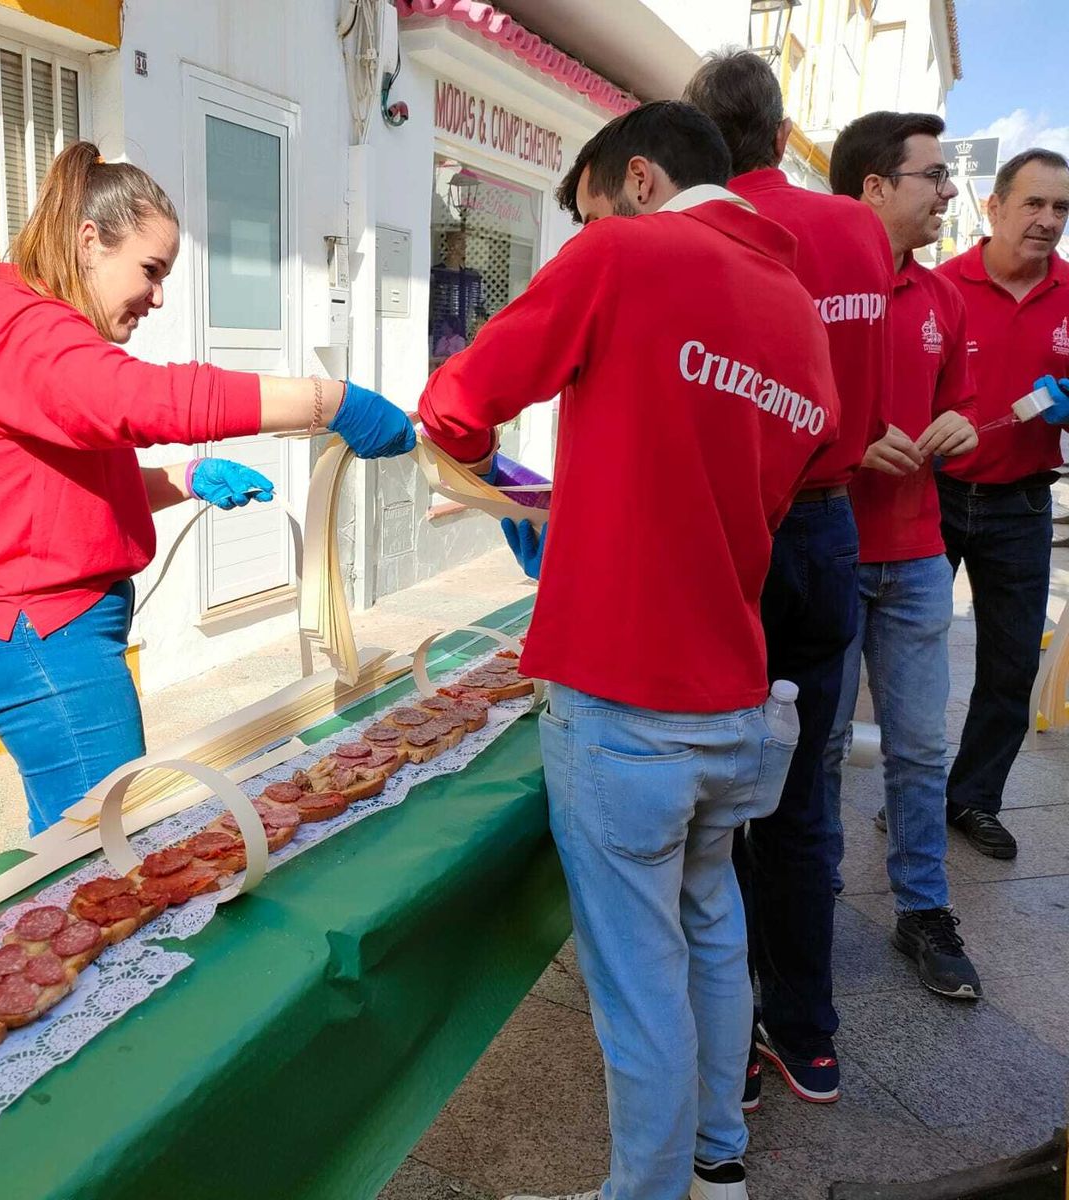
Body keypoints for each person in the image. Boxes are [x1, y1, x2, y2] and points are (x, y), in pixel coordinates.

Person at [420, 101, 839, 1200]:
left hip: (625, 702)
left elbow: (458, 405)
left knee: (636, 980)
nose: (585, 232)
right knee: (708, 925)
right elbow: (740, 486)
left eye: (590, 209)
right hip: (735, 698)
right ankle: (717, 1162)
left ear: (639, 180)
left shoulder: (625, 256)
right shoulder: (798, 314)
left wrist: (495, 474)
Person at [0, 142, 416, 835]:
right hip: (38, 633)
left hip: (31, 630)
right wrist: (331, 402)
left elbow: (52, 483)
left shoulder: (20, 327)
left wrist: (183, 479)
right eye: (150, 271)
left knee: (68, 844)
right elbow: (148, 399)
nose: (157, 297)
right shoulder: (28, 335)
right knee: (109, 859)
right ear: (89, 242)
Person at [684, 49, 895, 1110]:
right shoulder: (856, 228)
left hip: (726, 537)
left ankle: (729, 1042)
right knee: (803, 794)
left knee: (709, 792)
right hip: (825, 529)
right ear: (780, 136)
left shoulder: (691, 241)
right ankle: (807, 1035)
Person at [822, 111, 983, 1000]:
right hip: (830, 549)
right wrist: (848, 442)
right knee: (819, 743)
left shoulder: (942, 298)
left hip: (919, 557)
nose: (947, 191)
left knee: (920, 749)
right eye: (932, 176)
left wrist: (957, 430)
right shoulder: (807, 283)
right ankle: (816, 895)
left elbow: (958, 408)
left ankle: (924, 910)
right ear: (875, 186)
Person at [934, 148, 1069, 860]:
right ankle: (913, 794)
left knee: (1012, 663)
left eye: (1061, 209)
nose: (1048, 221)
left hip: (1020, 503)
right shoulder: (940, 286)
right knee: (912, 661)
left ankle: (974, 798)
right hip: (934, 495)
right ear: (994, 207)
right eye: (1034, 204)